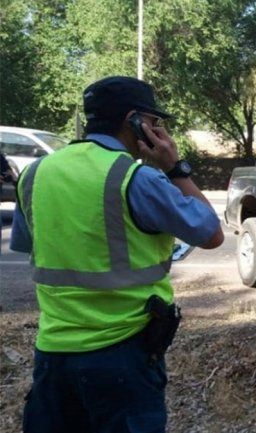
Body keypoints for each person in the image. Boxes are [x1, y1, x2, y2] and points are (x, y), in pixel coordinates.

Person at [11, 76, 224, 433]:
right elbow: (211, 234)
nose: (157, 130)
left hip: (52, 357)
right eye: (154, 123)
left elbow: (31, 243)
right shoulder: (135, 178)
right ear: (134, 121)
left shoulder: (35, 174)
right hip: (122, 358)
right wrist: (175, 167)